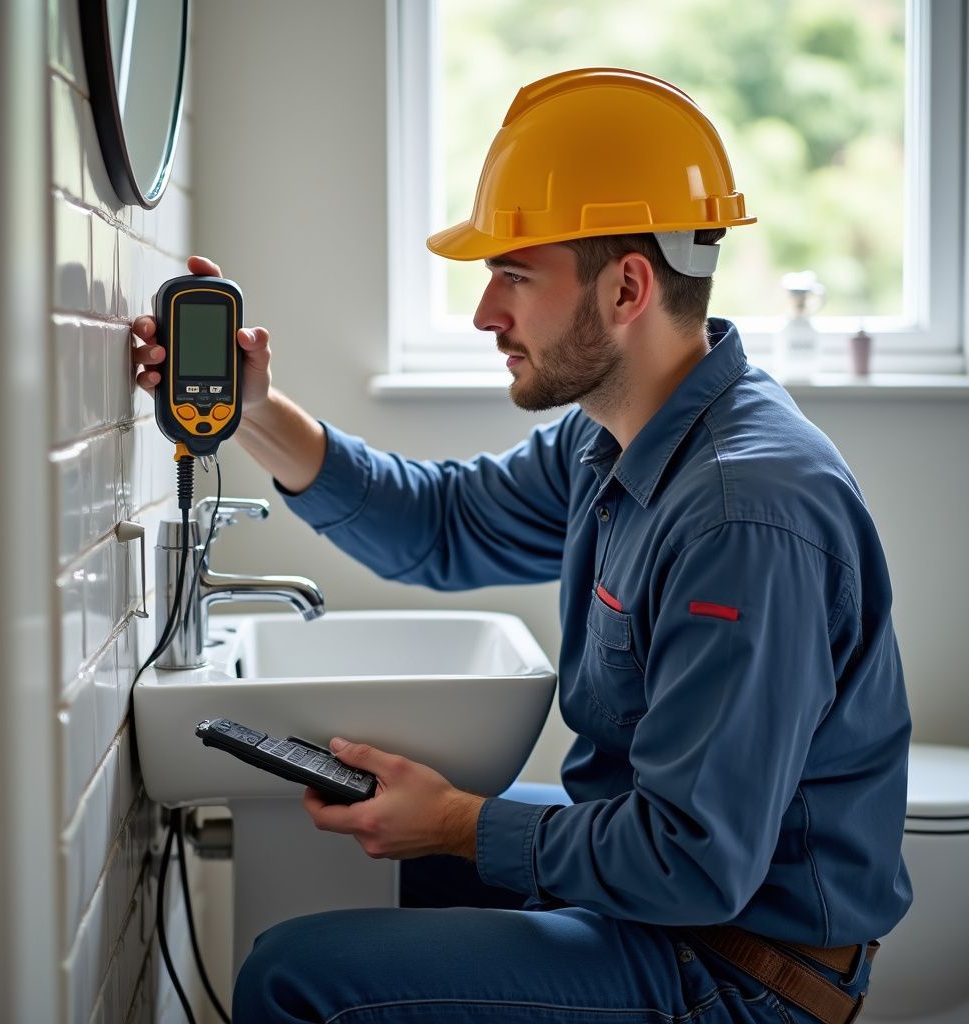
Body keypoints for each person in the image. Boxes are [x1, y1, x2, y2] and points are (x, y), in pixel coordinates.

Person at [133, 69, 911, 1024]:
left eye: (514, 274)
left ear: (626, 286)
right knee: (352, 870)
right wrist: (249, 410)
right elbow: (441, 526)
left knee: (294, 978)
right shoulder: (614, 436)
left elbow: (692, 861)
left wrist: (460, 824)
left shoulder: (741, 513)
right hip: (667, 913)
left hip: (736, 968)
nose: (484, 314)